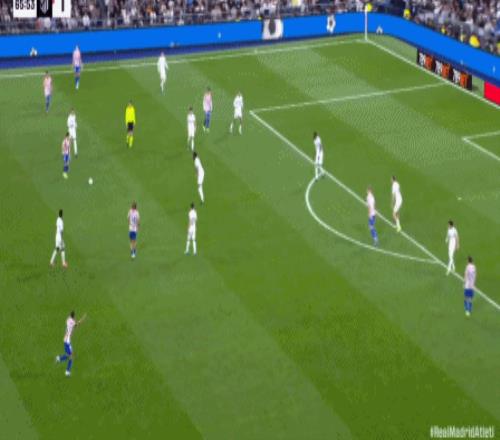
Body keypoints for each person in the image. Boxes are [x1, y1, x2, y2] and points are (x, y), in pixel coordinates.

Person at [56, 311, 86, 377]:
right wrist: (83, 319)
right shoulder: (72, 322)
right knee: (71, 356)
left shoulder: (68, 319)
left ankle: (59, 359)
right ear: (74, 316)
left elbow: (72, 325)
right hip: (67, 341)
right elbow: (77, 324)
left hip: (66, 340)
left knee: (69, 355)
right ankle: (67, 371)